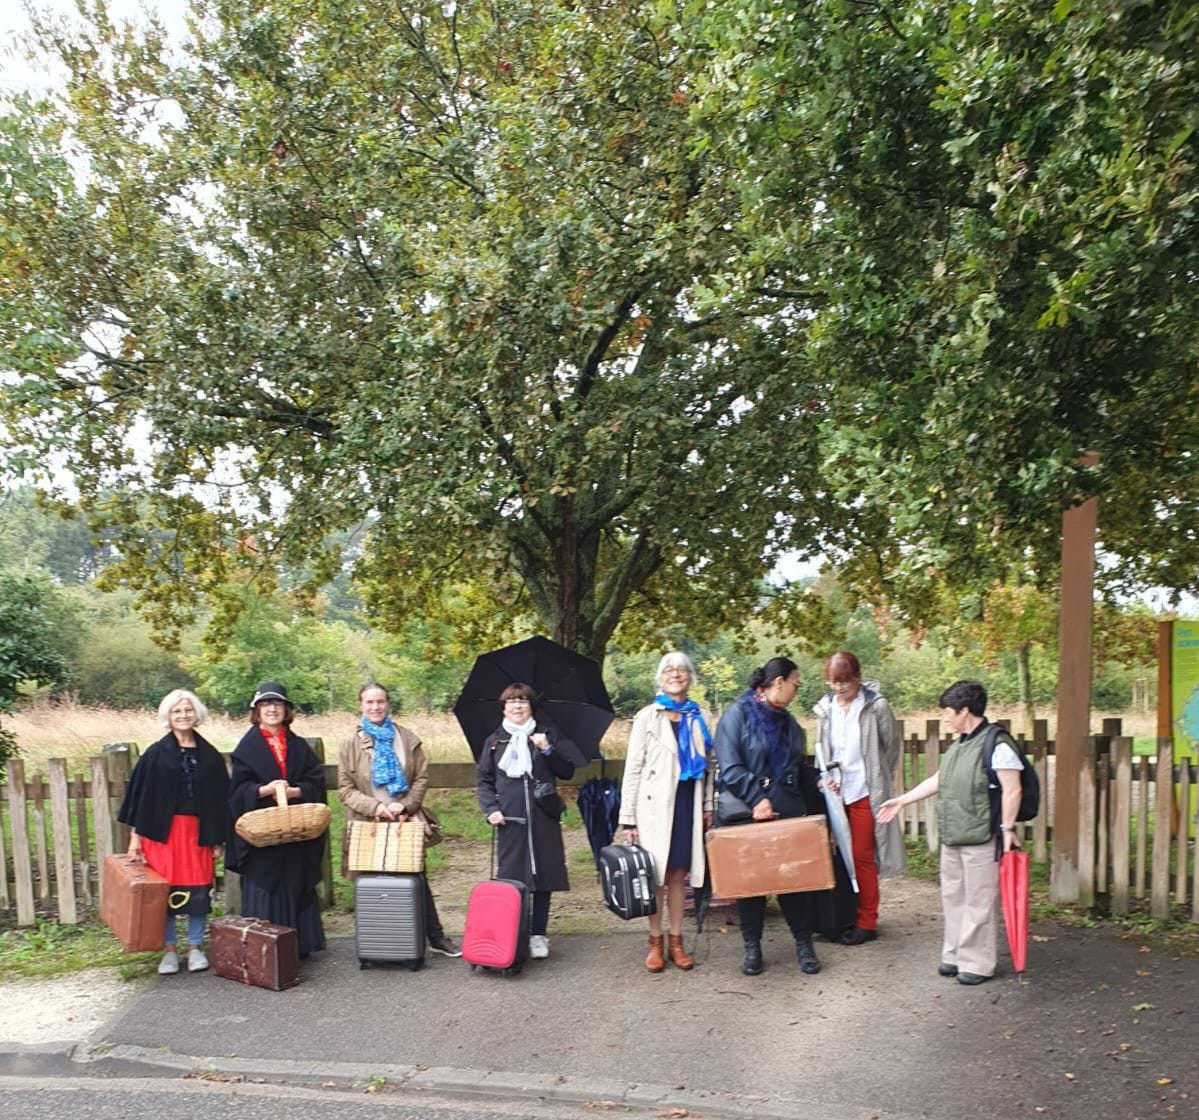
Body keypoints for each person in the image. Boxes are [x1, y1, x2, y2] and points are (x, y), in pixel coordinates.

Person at [877, 679, 1022, 985]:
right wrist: (902, 800)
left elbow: (1013, 790)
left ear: (964, 711)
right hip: (954, 834)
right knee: (953, 896)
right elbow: (938, 780)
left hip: (982, 835)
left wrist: (1007, 829)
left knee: (979, 899)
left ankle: (978, 962)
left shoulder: (997, 745)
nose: (944, 718)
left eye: (947, 712)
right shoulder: (958, 745)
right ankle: (954, 954)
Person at [714, 656, 827, 977]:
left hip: (786, 815)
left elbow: (795, 770)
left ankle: (804, 944)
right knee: (752, 886)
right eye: (795, 682)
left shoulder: (790, 724)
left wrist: (817, 779)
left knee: (794, 884)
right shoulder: (737, 715)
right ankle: (752, 947)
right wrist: (757, 798)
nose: (797, 689)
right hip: (748, 816)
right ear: (779, 683)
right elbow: (731, 766)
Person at [338, 683, 460, 956]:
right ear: (360, 705)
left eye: (380, 701)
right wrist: (377, 808)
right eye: (369, 702)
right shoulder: (349, 744)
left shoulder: (407, 739)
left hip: (405, 819)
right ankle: (377, 942)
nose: (375, 707)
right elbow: (346, 789)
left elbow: (421, 778)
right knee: (370, 881)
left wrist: (404, 805)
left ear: (388, 703)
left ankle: (435, 937)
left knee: (416, 876)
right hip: (367, 822)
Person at [119, 688, 229, 975]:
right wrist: (136, 838)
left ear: (197, 714)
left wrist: (217, 838)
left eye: (188, 710)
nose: (183, 715)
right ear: (168, 715)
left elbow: (220, 800)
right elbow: (141, 799)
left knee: (197, 893)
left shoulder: (210, 756)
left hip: (197, 834)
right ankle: (168, 950)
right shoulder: (155, 754)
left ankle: (194, 948)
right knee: (162, 893)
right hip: (161, 834)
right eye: (177, 711)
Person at [619, 652, 714, 973]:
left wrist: (709, 805)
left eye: (682, 670)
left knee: (678, 875)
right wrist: (627, 818)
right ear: (660, 679)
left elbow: (710, 767)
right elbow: (633, 769)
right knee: (655, 877)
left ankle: (677, 941)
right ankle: (655, 942)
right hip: (653, 810)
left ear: (690, 677)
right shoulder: (648, 716)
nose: (675, 674)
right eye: (669, 670)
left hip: (688, 804)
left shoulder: (700, 714)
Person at [475, 682, 576, 959]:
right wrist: (490, 809)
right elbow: (484, 781)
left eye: (523, 701)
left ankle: (538, 934)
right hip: (510, 818)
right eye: (512, 701)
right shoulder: (495, 741)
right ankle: (514, 933)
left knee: (543, 875)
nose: (517, 706)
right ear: (503, 707)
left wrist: (546, 749)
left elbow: (566, 770)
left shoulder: (546, 735)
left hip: (543, 816)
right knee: (512, 877)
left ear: (531, 706)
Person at [226, 682, 328, 958]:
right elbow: (236, 793)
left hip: (295, 832)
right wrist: (264, 790)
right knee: (266, 884)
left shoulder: (298, 746)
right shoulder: (246, 748)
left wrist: (296, 791)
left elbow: (315, 782)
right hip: (264, 838)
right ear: (257, 711)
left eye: (277, 704)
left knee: (297, 879)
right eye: (265, 705)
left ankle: (300, 946)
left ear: (287, 710)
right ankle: (266, 950)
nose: (272, 709)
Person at [812, 650, 905, 945]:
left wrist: (879, 777)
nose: (839, 688)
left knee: (862, 856)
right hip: (835, 792)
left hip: (865, 790)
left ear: (857, 678)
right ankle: (840, 917)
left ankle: (867, 921)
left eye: (844, 682)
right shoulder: (825, 709)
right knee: (837, 856)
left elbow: (891, 746)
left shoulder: (875, 706)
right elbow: (822, 748)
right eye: (833, 682)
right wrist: (826, 778)